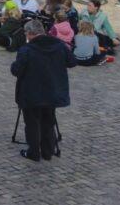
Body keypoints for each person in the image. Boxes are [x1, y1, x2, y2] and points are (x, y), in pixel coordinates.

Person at [11, 20, 73, 162]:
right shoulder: (59, 45)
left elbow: (16, 70)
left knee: (32, 123)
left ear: (31, 34)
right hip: (53, 91)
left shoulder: (27, 50)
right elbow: (72, 62)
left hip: (31, 93)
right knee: (48, 121)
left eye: (26, 33)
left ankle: (34, 152)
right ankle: (47, 151)